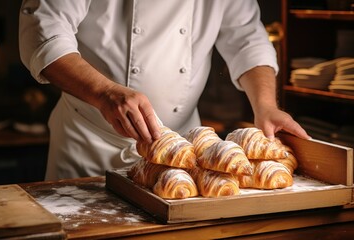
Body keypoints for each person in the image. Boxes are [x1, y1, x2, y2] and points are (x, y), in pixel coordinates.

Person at [19, 0, 310, 181]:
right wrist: (104, 92)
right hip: (90, 145)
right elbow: (42, 32)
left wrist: (266, 106)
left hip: (185, 152)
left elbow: (247, 39)